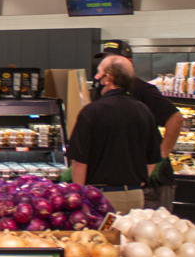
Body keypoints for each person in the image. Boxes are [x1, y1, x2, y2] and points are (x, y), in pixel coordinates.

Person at [67, 55, 162, 213]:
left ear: (107, 78)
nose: (97, 78)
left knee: (102, 237)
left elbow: (79, 162)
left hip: (100, 198)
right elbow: (153, 158)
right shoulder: (144, 111)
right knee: (130, 238)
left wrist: (80, 196)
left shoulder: (92, 112)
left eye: (99, 73)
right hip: (136, 197)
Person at [96, 51, 184, 208]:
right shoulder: (102, 92)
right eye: (105, 60)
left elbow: (175, 119)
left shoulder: (143, 90)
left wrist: (161, 155)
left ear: (129, 63)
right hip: (123, 182)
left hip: (153, 184)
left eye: (113, 60)